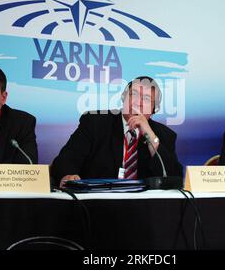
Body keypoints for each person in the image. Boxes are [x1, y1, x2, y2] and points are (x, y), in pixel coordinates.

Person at [51, 76, 183, 188]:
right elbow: (65, 160)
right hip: (97, 204)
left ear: (155, 109)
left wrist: (151, 137)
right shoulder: (95, 122)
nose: (138, 102)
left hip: (143, 209)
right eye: (134, 94)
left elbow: (173, 178)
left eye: (147, 99)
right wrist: (68, 175)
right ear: (124, 98)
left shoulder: (164, 134)